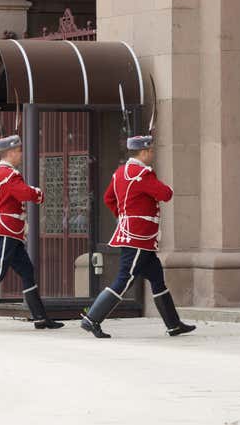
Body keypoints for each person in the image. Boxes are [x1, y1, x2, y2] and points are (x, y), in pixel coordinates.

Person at [80, 134, 196, 338]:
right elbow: (165, 194)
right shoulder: (141, 174)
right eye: (150, 151)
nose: (152, 153)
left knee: (157, 278)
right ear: (143, 152)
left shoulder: (120, 172)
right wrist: (132, 218)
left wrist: (124, 216)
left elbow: (109, 198)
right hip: (139, 237)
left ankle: (174, 324)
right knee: (125, 279)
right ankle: (92, 319)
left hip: (136, 234)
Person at [0, 134, 64, 331]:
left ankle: (40, 317)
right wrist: (38, 194)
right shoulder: (10, 175)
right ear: (9, 153)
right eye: (18, 151)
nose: (21, 154)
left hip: (7, 228)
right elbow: (24, 193)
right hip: (8, 229)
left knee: (26, 270)